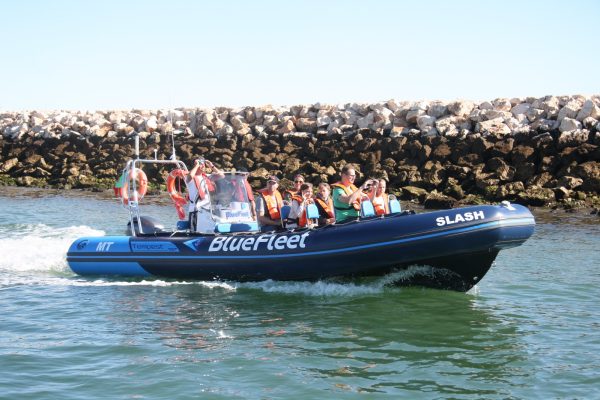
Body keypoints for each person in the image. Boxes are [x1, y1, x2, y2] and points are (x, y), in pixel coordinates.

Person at [185, 157, 224, 233]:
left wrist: (211, 166)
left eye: (203, 164)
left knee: (208, 230)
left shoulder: (207, 177)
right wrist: (197, 165)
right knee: (194, 231)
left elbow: (221, 175)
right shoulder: (190, 178)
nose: (203, 166)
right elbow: (190, 176)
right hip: (196, 210)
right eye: (200, 164)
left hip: (208, 210)